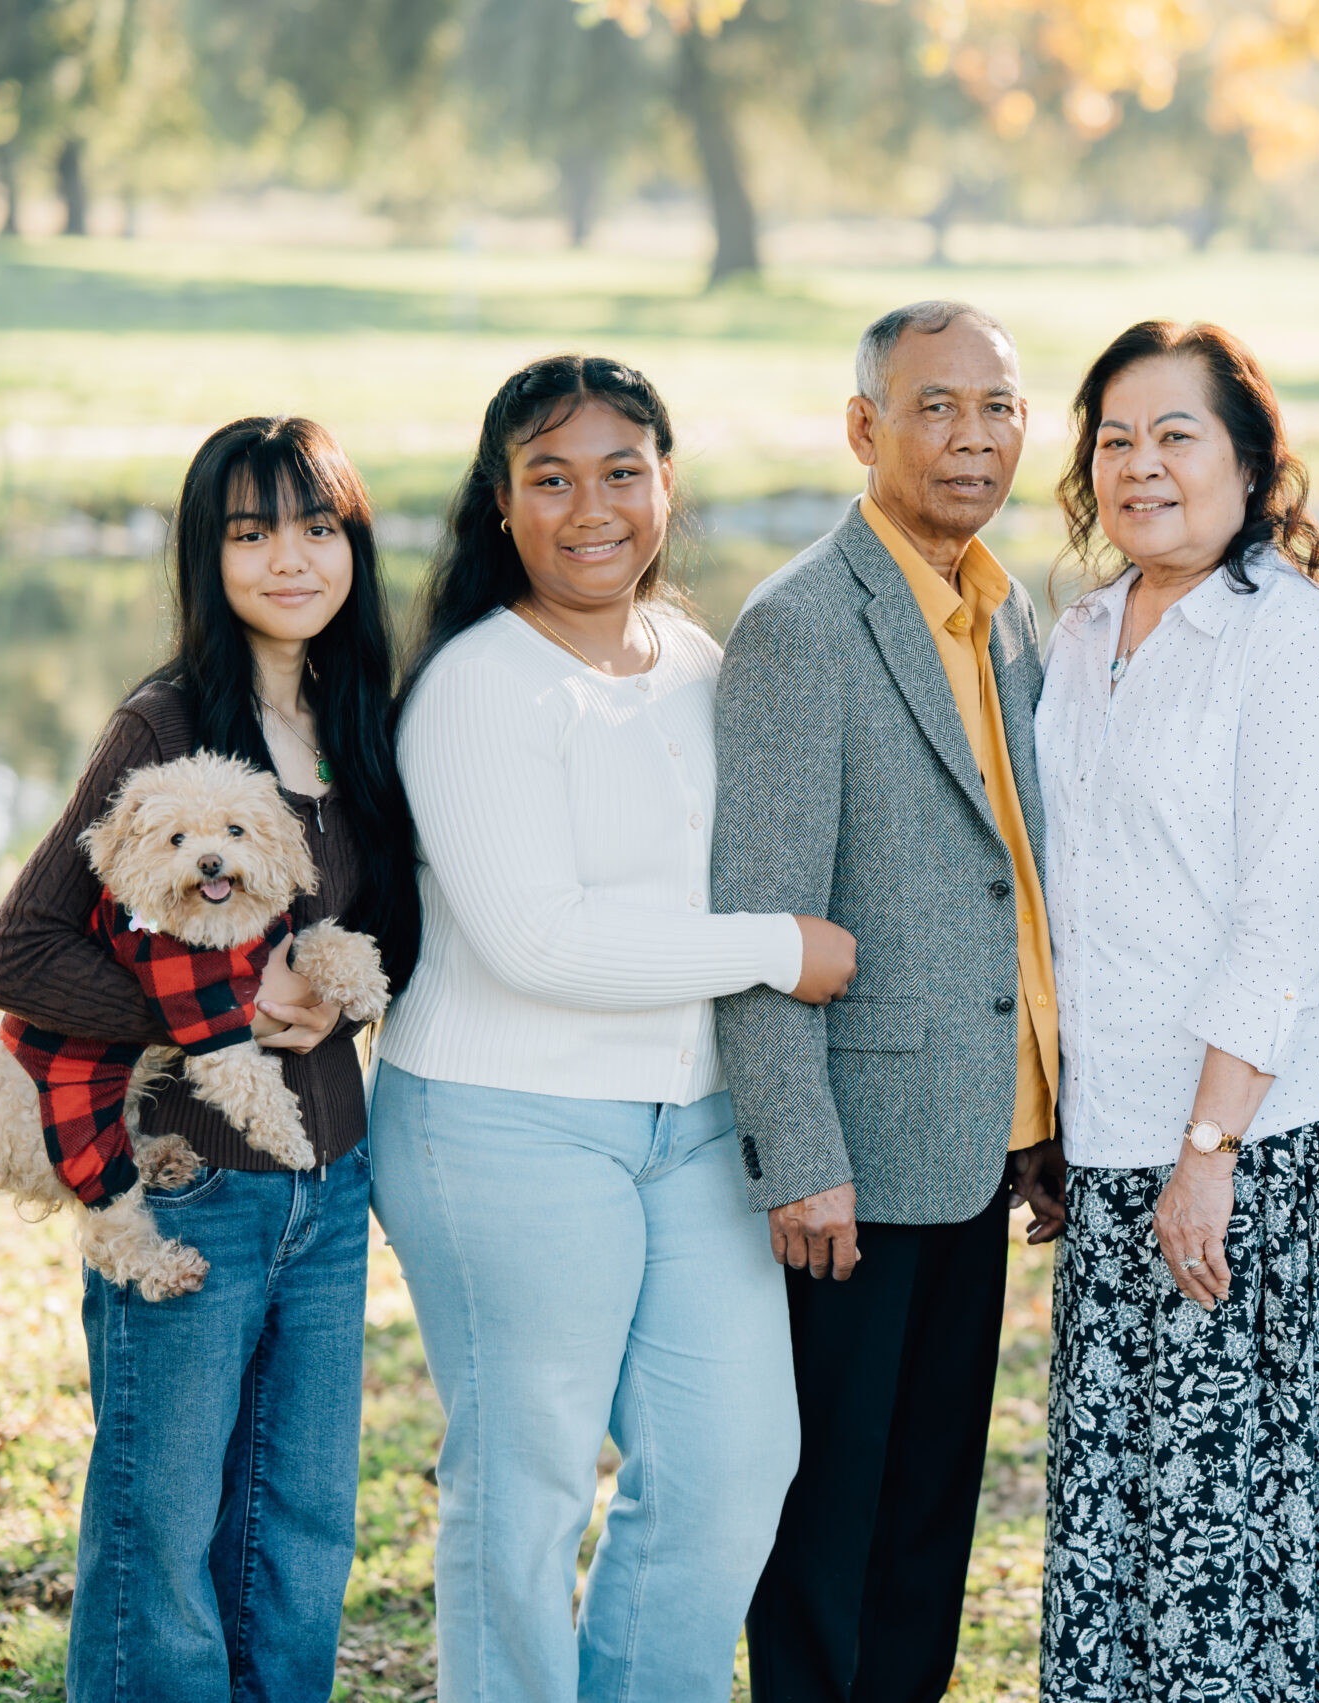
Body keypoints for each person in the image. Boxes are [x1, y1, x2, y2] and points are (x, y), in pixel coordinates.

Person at [370, 356, 832, 1703]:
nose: (592, 506)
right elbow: (541, 940)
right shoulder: (475, 687)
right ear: (500, 506)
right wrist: (777, 953)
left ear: (667, 483)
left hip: (691, 1128)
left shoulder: (692, 658)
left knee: (731, 1462)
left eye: (621, 470)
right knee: (528, 1477)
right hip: (498, 1120)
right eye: (550, 477)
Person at [0, 417, 419, 1703]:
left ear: (353, 544)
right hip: (189, 1182)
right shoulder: (163, 727)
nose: (290, 557)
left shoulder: (358, 718)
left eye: (317, 525)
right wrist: (207, 1012)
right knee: (157, 1540)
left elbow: (384, 924)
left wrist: (332, 1003)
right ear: (207, 554)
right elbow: (17, 952)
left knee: (299, 1535)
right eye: (251, 530)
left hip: (330, 1186)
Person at [716, 301, 1067, 1703]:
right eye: (937, 405)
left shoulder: (1005, 604)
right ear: (865, 426)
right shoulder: (801, 624)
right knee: (827, 1530)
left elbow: (1013, 880)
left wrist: (1041, 1094)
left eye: (998, 406)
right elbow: (761, 920)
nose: (974, 436)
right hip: (850, 1163)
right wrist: (801, 1157)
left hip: (976, 1141)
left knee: (932, 1518)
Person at [1033, 320, 1319, 1701]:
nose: (1141, 464)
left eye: (1176, 433)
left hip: (1255, 1144)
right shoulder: (1077, 632)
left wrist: (1209, 1142)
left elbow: (1286, 910)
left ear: (1249, 461)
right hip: (1117, 1137)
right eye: (1115, 438)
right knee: (1129, 1520)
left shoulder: (1296, 641)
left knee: (1240, 1529)